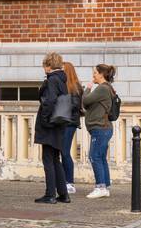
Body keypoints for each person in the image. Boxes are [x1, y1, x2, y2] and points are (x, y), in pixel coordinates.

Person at [33, 52, 70, 204]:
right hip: (59, 123)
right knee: (56, 159)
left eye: (44, 65)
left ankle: (50, 194)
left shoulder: (52, 80)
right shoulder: (62, 80)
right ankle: (63, 194)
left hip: (50, 124)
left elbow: (49, 101)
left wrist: (44, 119)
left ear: (48, 66)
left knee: (48, 159)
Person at [80, 63, 116, 199]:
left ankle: (100, 186)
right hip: (103, 128)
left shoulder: (102, 89)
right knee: (100, 157)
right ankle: (105, 187)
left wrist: (88, 88)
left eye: (95, 73)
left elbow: (85, 101)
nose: (93, 75)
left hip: (100, 128)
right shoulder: (107, 88)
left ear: (101, 74)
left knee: (94, 156)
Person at [59, 61, 84, 195]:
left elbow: (75, 105)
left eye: (62, 70)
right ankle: (64, 181)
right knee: (62, 152)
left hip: (70, 123)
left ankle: (69, 182)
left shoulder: (74, 86)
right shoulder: (64, 85)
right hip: (64, 122)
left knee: (65, 152)